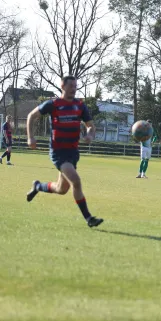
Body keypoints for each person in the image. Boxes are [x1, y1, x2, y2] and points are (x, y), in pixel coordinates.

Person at [24, 75, 103, 228]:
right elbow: (31, 116)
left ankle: (38, 186)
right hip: (59, 152)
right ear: (62, 86)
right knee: (76, 181)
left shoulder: (80, 106)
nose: (74, 89)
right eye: (71, 86)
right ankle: (89, 218)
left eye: (75, 86)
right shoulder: (53, 104)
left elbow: (91, 126)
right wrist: (30, 137)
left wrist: (90, 134)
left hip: (73, 152)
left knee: (61, 189)